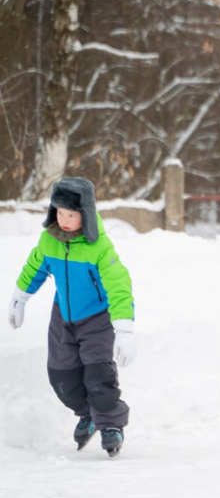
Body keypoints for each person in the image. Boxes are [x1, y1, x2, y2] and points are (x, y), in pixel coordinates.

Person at [7, 176, 136, 458]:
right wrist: (20, 296)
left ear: (86, 215)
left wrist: (124, 329)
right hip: (63, 316)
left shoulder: (99, 247)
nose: (64, 219)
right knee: (61, 377)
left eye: (72, 214)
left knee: (98, 376)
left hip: (97, 318)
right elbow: (35, 267)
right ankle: (86, 414)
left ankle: (111, 425)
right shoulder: (49, 239)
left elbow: (119, 285)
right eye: (60, 212)